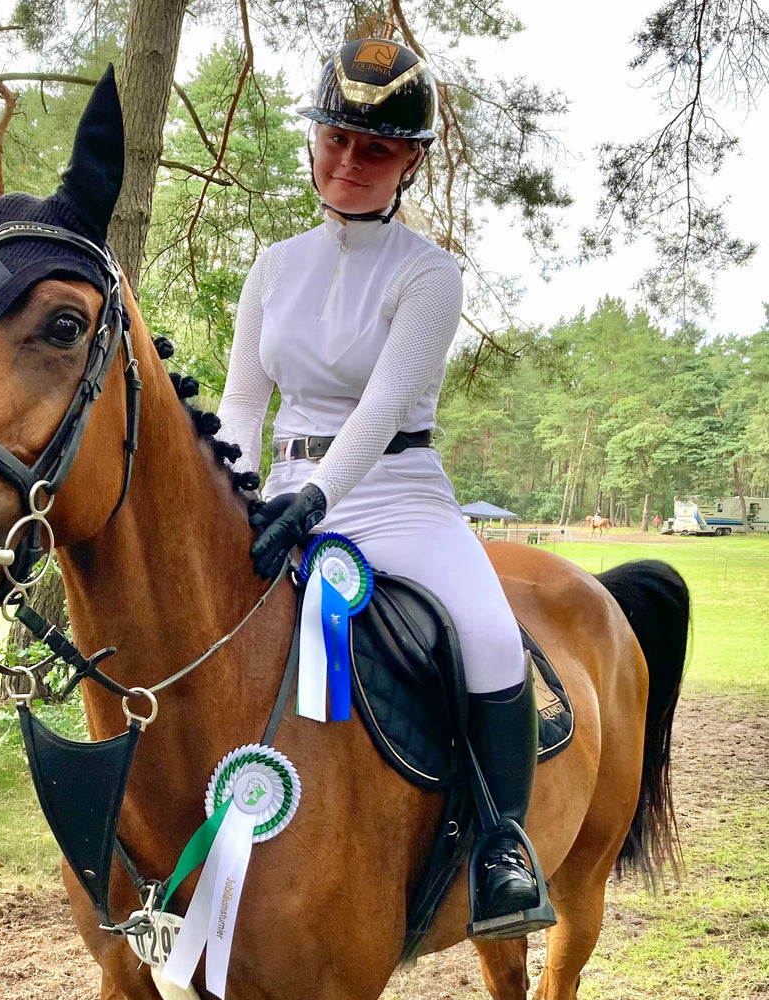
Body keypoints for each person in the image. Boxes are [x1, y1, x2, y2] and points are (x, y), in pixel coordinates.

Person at [217, 37, 555, 939]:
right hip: (280, 488)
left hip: (396, 495)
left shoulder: (429, 273)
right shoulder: (274, 265)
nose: (350, 163)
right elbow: (245, 403)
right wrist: (237, 486)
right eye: (337, 139)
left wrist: (316, 503)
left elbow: (380, 408)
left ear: (409, 161)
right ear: (315, 139)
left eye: (376, 150)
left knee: (489, 638)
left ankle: (501, 848)